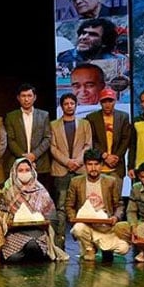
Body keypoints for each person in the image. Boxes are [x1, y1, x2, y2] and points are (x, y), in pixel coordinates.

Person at [66, 149, 129, 262]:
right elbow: (69, 205)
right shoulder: (76, 182)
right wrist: (73, 218)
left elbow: (119, 205)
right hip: (86, 226)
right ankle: (89, 248)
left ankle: (105, 250)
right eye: (90, 164)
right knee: (78, 228)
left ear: (101, 165)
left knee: (123, 248)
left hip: (106, 226)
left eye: (96, 164)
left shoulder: (110, 181)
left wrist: (116, 217)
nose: (93, 168)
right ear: (85, 166)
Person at [1, 158, 67, 262]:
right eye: (20, 170)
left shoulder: (41, 191)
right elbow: (2, 214)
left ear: (32, 171)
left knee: (33, 246)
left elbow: (52, 216)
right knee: (13, 257)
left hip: (38, 232)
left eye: (27, 170)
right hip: (15, 232)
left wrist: (44, 224)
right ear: (15, 172)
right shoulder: (8, 192)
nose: (24, 173)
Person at [50, 92, 92, 248]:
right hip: (61, 170)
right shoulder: (53, 125)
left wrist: (78, 161)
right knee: (61, 207)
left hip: (80, 170)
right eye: (66, 104)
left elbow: (88, 145)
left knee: (82, 206)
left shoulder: (85, 124)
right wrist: (68, 162)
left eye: (72, 103)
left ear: (76, 105)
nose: (69, 106)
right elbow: (52, 147)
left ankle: (84, 244)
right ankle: (59, 244)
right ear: (62, 106)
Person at [4, 83, 53, 195]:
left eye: (29, 96)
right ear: (18, 98)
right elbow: (10, 140)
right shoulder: (11, 116)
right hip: (18, 165)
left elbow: (47, 138)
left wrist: (34, 155)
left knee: (41, 198)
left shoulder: (44, 115)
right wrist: (25, 159)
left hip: (40, 164)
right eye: (23, 96)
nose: (26, 99)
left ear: (34, 97)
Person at [85, 88, 131, 182]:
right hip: (98, 166)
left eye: (110, 101)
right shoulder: (92, 118)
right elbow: (91, 140)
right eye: (104, 101)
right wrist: (105, 156)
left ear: (115, 101)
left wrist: (116, 157)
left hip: (116, 166)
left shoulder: (123, 117)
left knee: (116, 196)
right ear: (100, 103)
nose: (107, 104)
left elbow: (125, 139)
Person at [56, 18, 124, 64]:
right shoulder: (64, 57)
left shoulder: (117, 60)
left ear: (105, 42)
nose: (84, 37)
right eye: (83, 33)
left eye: (92, 34)